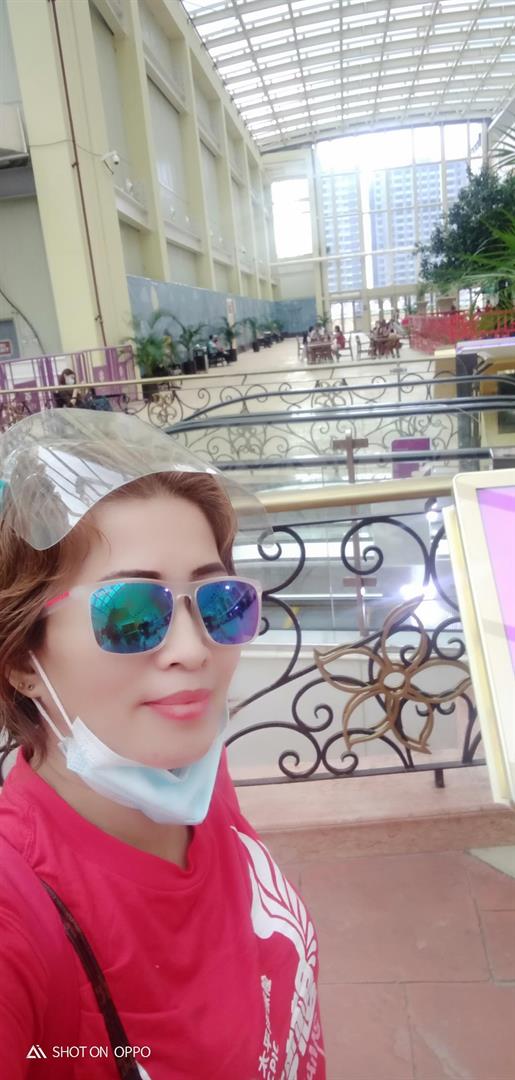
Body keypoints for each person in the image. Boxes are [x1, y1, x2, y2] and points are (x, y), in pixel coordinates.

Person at [0, 411, 325, 1079]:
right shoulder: (17, 913)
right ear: (22, 659)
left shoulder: (192, 771)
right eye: (131, 613)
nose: (192, 650)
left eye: (219, 602)